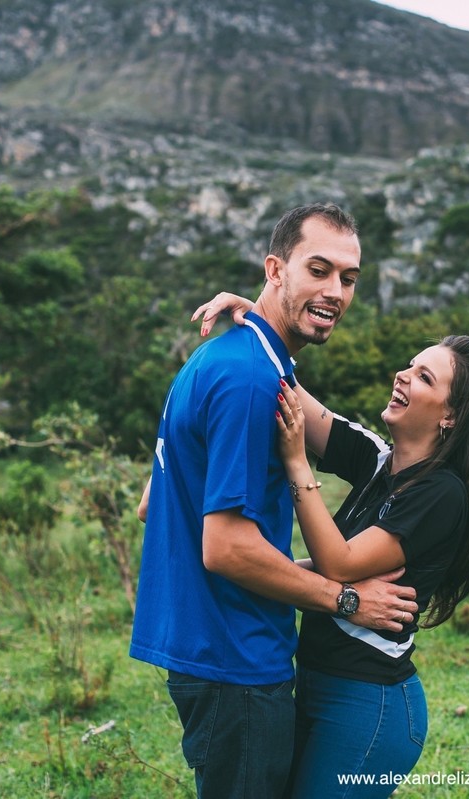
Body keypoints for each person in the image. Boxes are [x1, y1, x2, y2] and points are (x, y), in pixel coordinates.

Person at [130, 204, 419, 799]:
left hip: (205, 646)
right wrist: (344, 599)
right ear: (275, 269)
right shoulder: (248, 378)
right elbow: (227, 548)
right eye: (318, 269)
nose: (335, 291)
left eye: (348, 278)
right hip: (235, 657)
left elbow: (154, 502)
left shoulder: (231, 355)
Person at [195, 292, 469, 798]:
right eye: (410, 366)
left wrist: (298, 465)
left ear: (450, 416)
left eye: (424, 377)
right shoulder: (377, 459)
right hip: (316, 684)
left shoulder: (441, 493)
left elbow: (339, 563)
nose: (403, 376)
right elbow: (287, 392)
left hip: (370, 707)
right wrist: (260, 318)